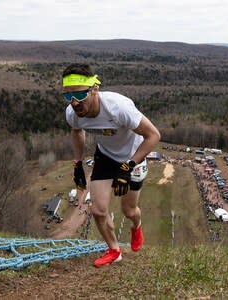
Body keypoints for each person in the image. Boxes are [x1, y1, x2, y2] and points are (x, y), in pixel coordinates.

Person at [61, 63, 161, 267]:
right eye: (68, 96)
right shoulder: (73, 114)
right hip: (105, 157)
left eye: (79, 95)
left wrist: (129, 165)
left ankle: (137, 226)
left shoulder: (118, 107)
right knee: (98, 211)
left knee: (129, 211)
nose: (74, 103)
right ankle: (115, 250)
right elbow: (77, 131)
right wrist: (78, 163)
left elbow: (153, 136)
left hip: (132, 157)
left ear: (94, 90)